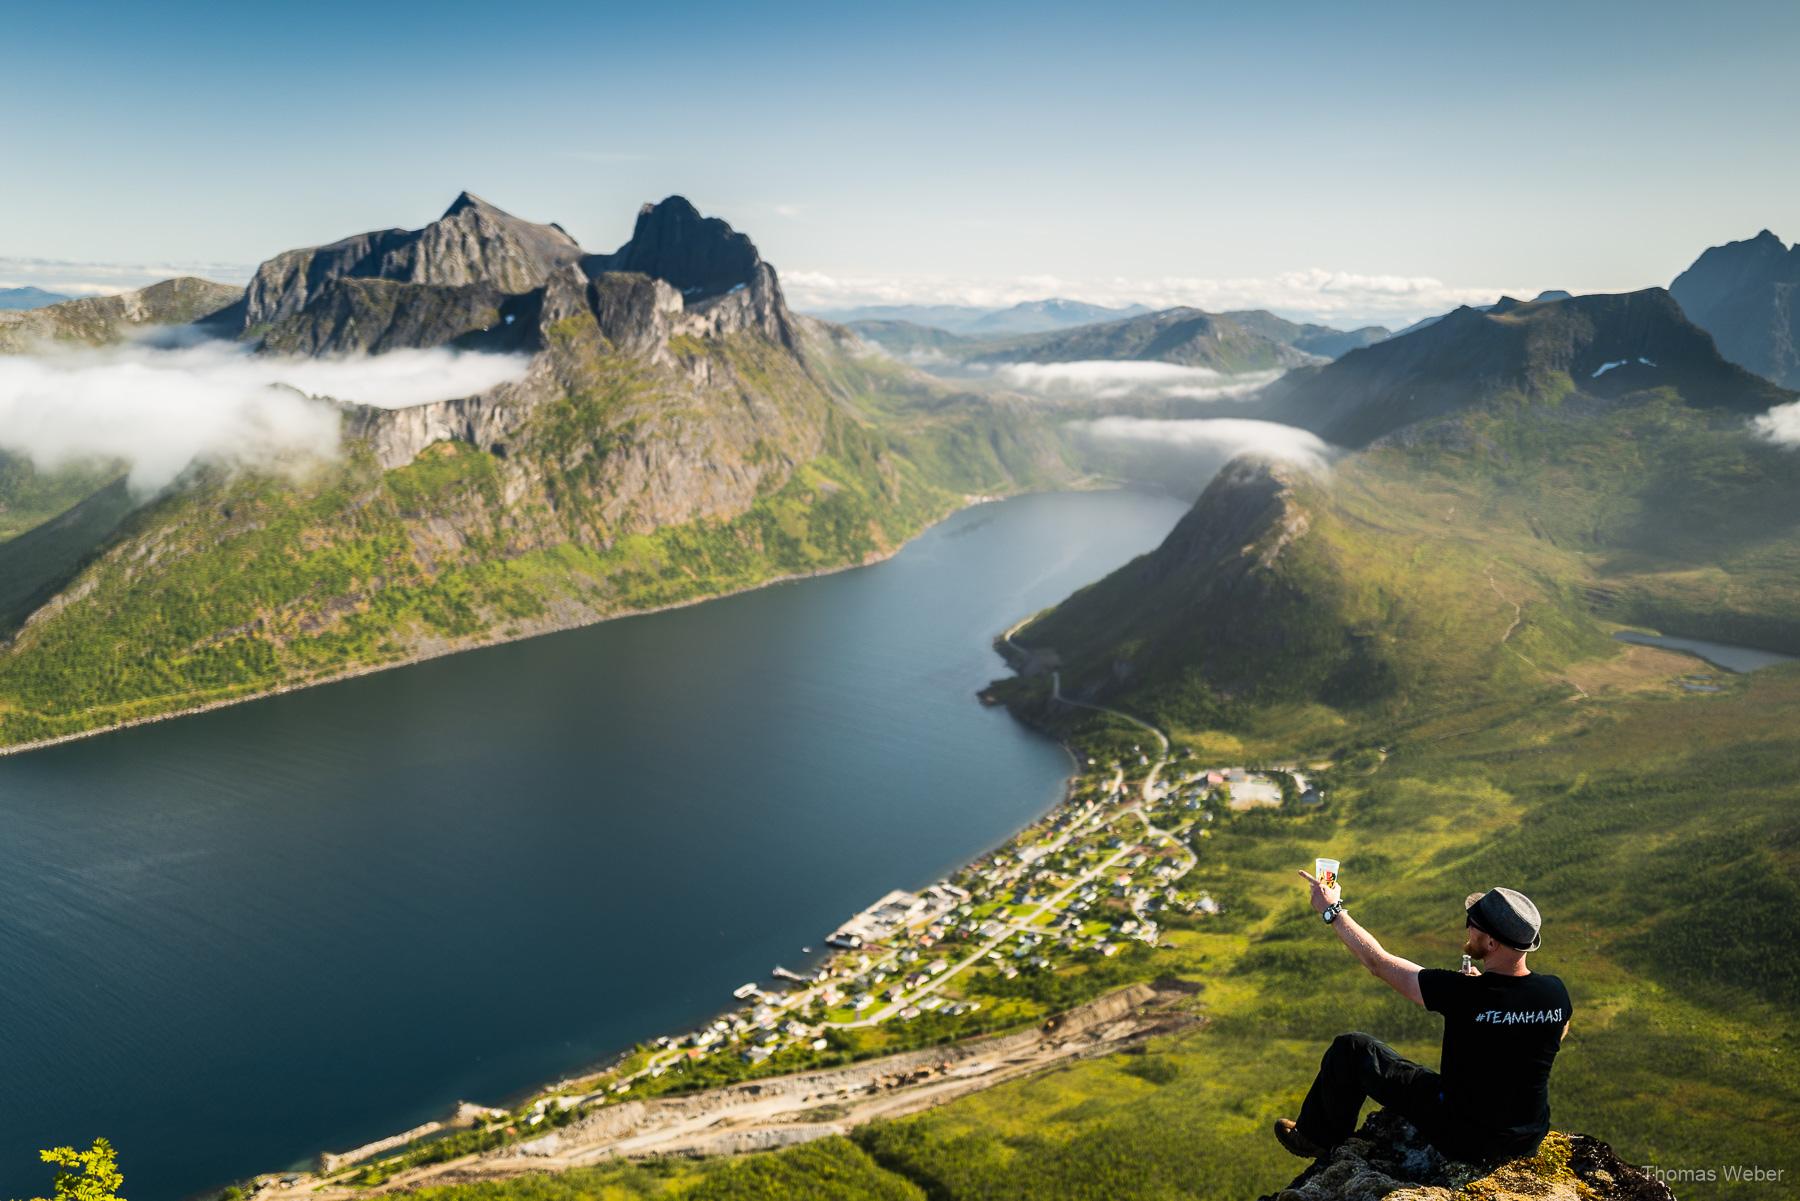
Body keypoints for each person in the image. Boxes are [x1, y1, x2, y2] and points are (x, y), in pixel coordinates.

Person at [1272, 872, 1572, 1166]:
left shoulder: (1462, 993)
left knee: (1352, 1050)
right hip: (1526, 1139)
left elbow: (1378, 962)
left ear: (1491, 943)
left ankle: (1315, 1138)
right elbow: (1554, 1035)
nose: (1467, 928)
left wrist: (1332, 910)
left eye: (1473, 925)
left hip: (1464, 1139)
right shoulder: (1555, 994)